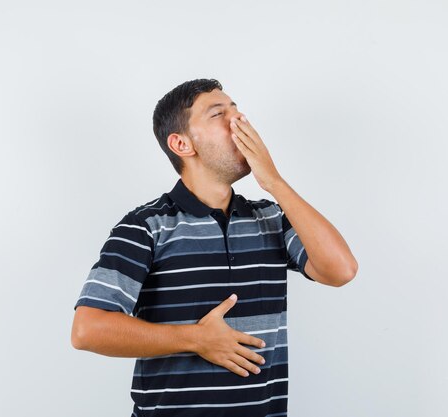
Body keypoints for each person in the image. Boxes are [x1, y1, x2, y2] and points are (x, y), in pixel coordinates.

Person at [71, 78, 358, 416]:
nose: (239, 122)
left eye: (238, 111)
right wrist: (196, 339)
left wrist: (274, 183)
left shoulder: (272, 217)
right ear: (181, 144)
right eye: (218, 114)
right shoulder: (146, 226)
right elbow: (88, 330)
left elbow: (341, 271)